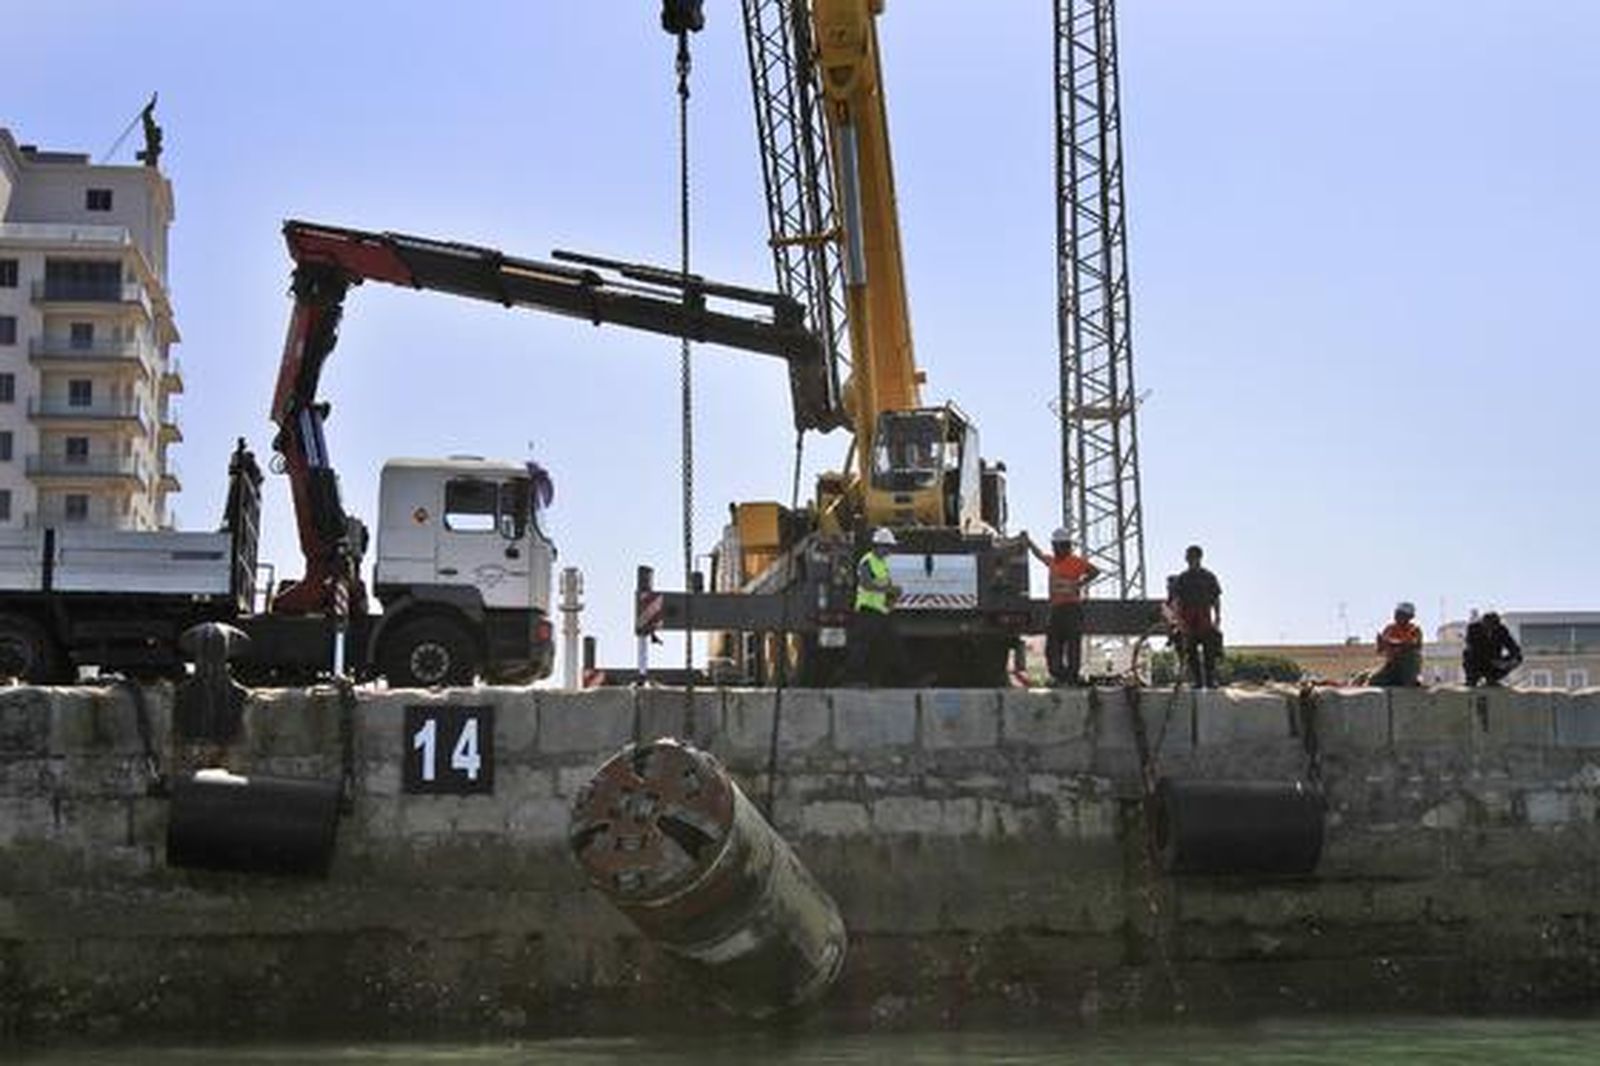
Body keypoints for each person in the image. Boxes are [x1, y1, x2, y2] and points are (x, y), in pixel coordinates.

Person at [1027, 528, 1099, 685]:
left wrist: (1079, 584)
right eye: (1053, 546)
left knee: (1073, 644)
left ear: (1065, 546)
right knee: (1053, 645)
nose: (1054, 549)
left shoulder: (1075, 562)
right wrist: (1029, 541)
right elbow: (1039, 555)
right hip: (1056, 609)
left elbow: (1095, 571)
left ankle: (1071, 676)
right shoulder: (1053, 561)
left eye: (1056, 545)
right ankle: (1059, 675)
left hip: (1072, 609)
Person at [846, 527, 909, 686]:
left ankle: (885, 680)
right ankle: (855, 679)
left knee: (888, 646)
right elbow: (866, 584)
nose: (889, 551)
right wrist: (890, 589)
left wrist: (892, 599)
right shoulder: (867, 561)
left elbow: (884, 587)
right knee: (862, 648)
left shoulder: (882, 564)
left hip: (880, 612)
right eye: (888, 547)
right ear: (879, 546)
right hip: (867, 611)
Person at [1168, 545, 1223, 688]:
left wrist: (1217, 617)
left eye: (1192, 556)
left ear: (1199, 557)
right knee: (1190, 651)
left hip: (1204, 617)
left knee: (1210, 650)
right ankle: (1198, 681)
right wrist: (1179, 620)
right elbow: (1177, 601)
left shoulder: (1209, 577)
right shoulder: (1182, 578)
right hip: (1188, 619)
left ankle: (1210, 680)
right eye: (1188, 557)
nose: (1190, 559)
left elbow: (1216, 598)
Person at [1369, 601, 1423, 687]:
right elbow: (1381, 651)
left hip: (1407, 666)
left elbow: (1410, 645)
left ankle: (1410, 681)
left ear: (1409, 617)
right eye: (1396, 613)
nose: (1397, 616)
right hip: (1392, 666)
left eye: (1401, 614)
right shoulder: (1389, 629)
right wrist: (1380, 644)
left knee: (1411, 655)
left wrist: (1390, 642)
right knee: (1374, 681)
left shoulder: (1414, 629)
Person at [1464, 610, 1522, 687]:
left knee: (1518, 658)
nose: (1490, 630)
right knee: (1468, 654)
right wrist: (1492, 661)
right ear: (1482, 624)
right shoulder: (1473, 629)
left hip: (1495, 663)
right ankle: (1472, 679)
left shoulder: (1501, 630)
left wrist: (1507, 662)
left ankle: (1492, 678)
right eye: (1487, 627)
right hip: (1478, 661)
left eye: (1493, 627)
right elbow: (1474, 650)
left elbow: (1514, 648)